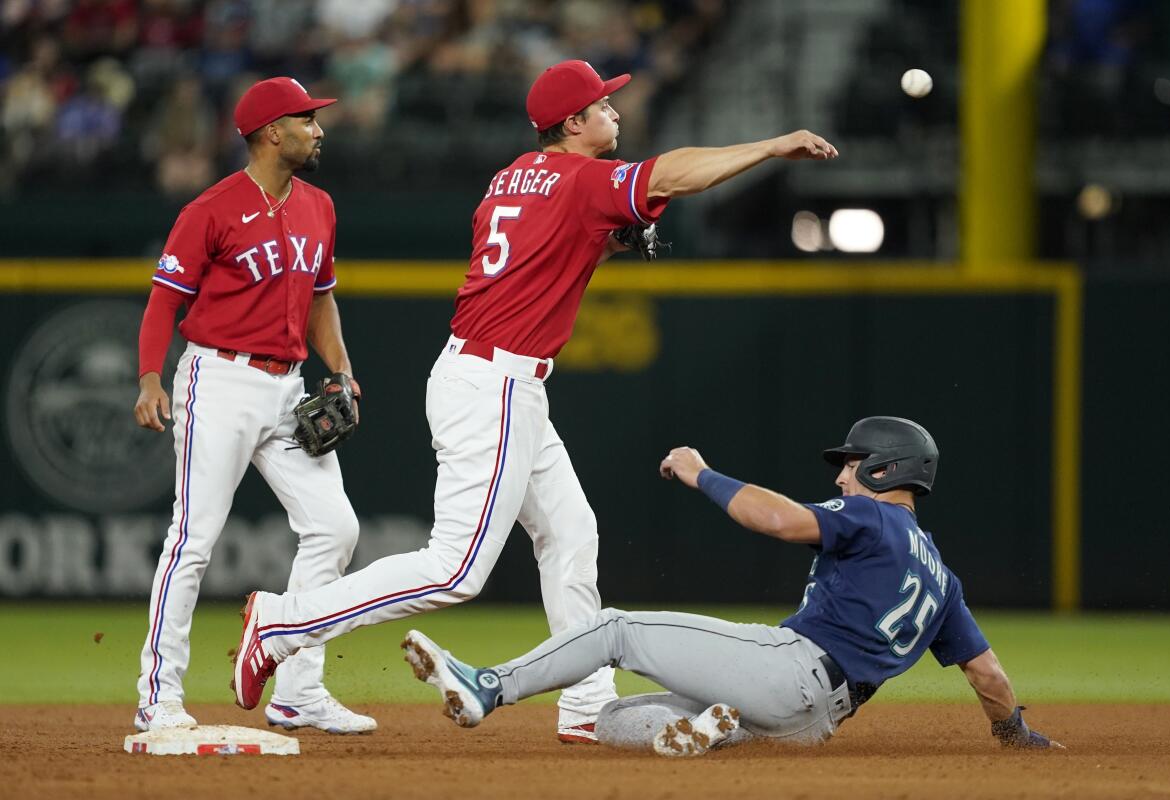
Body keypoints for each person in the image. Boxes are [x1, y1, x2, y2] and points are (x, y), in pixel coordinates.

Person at [231, 59, 838, 744]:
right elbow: (671, 174)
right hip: (492, 385)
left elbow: (542, 257)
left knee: (571, 533)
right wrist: (770, 145)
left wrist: (602, 246)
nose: (615, 112)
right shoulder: (582, 178)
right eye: (603, 106)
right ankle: (285, 624)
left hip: (497, 379)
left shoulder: (512, 177)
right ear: (573, 124)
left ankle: (585, 703)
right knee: (455, 569)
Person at [399, 417, 1064, 757]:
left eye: (854, 465)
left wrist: (701, 473)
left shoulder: (870, 514)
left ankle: (490, 686)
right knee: (608, 720)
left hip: (792, 667)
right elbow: (987, 674)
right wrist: (1015, 736)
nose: (842, 478)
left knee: (613, 629)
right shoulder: (941, 578)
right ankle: (703, 731)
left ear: (888, 471)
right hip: (814, 724)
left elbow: (776, 519)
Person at [132, 77, 374, 735]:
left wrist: (342, 369)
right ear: (272, 132)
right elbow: (164, 301)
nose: (318, 129)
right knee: (194, 538)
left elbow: (323, 297)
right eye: (306, 119)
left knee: (336, 527)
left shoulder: (319, 206)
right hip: (220, 381)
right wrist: (151, 379)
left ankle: (298, 690)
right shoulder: (211, 209)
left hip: (287, 387)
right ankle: (159, 696)